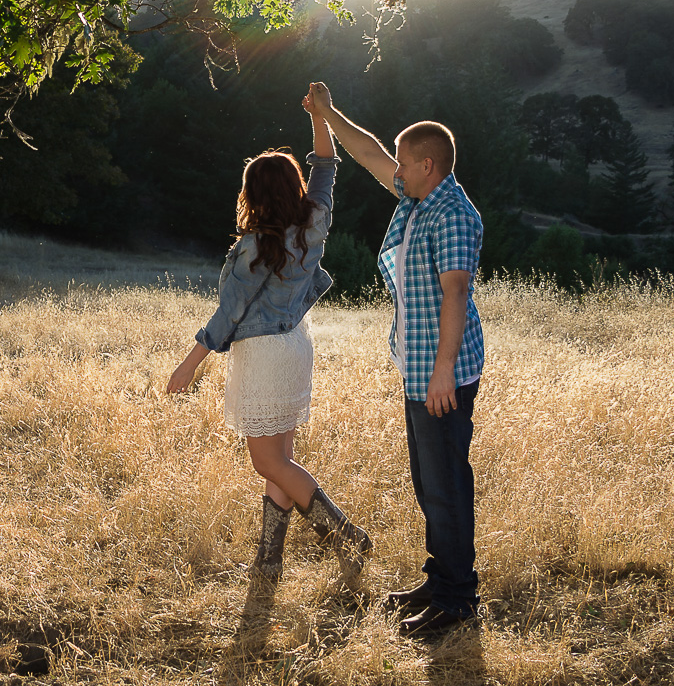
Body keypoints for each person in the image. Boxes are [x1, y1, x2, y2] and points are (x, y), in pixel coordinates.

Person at [166, 88, 371, 584]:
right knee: (283, 460)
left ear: (253, 194)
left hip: (262, 354)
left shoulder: (257, 246)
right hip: (297, 346)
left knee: (269, 463)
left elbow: (228, 314)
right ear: (293, 188)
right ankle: (269, 562)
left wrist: (189, 364)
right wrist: (320, 116)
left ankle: (348, 536)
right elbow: (327, 165)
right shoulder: (314, 222)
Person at [306, 81, 484, 638]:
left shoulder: (451, 213)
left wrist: (440, 375)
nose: (396, 171)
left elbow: (455, 294)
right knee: (429, 481)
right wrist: (329, 114)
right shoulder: (418, 198)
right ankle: (439, 579)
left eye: (405, 164)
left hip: (442, 373)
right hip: (419, 367)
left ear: (428, 165)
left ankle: (457, 599)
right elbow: (370, 153)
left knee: (446, 483)